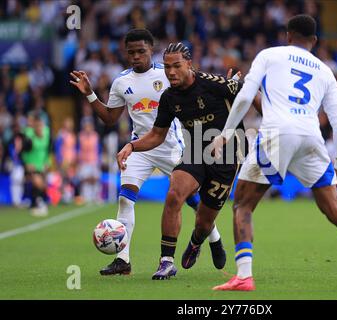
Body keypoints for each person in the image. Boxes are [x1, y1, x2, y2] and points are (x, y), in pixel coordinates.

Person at [211, 15, 337, 291]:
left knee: (243, 204)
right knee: (335, 210)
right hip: (311, 138)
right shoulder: (325, 70)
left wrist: (224, 135)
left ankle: (244, 276)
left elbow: (246, 96)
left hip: (276, 134)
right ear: (315, 41)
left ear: (288, 35)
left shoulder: (269, 55)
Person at [70, 29, 225, 276]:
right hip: (140, 147)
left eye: (141, 51)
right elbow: (110, 118)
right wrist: (90, 93)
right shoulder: (122, 81)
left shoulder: (167, 74)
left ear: (151, 50)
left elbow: (196, 87)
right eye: (131, 52)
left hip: (171, 146)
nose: (135, 56)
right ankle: (123, 260)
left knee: (191, 199)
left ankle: (214, 238)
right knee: (125, 197)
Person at [116, 42, 260, 280]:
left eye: (177, 66)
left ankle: (196, 241)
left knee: (204, 222)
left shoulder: (214, 85)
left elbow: (248, 91)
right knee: (174, 193)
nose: (171, 72)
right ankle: (166, 261)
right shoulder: (169, 97)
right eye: (167, 67)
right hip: (194, 151)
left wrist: (271, 116)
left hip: (227, 156)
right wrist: (131, 146)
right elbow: (156, 135)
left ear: (189, 65)